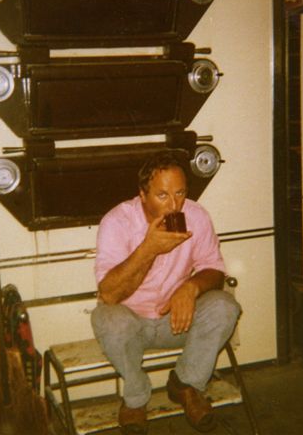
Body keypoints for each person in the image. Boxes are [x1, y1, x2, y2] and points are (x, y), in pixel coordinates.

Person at [91, 150, 241, 434]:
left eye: (180, 193)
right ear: (142, 195)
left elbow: (214, 269)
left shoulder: (196, 215)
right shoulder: (117, 221)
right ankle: (136, 397)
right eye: (162, 195)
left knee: (225, 306)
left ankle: (186, 384)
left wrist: (191, 287)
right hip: (132, 325)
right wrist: (148, 249)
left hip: (177, 320)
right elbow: (109, 295)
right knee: (108, 319)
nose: (174, 205)